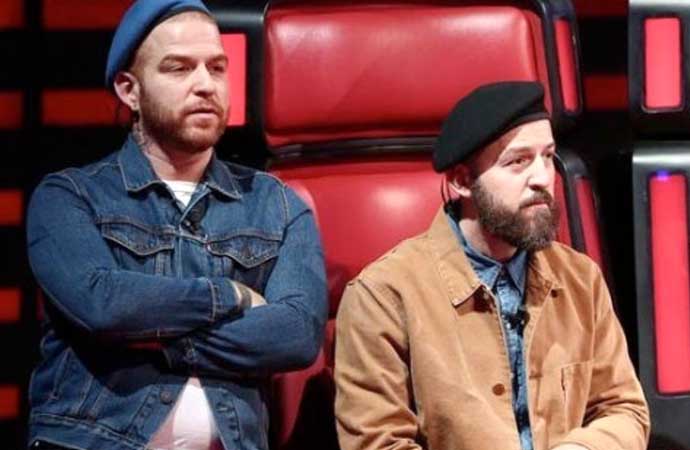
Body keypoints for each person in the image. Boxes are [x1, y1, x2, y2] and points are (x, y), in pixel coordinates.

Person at [26, 1, 327, 449]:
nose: (205, 84)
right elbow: (103, 303)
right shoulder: (70, 196)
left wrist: (158, 340)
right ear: (129, 90)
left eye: (217, 67)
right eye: (179, 68)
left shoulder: (278, 205)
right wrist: (231, 296)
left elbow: (296, 335)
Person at [334, 82, 649, 450]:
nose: (542, 178)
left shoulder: (581, 278)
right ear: (462, 181)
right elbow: (377, 443)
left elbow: (625, 411)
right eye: (518, 161)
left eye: (547, 156)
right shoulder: (382, 296)